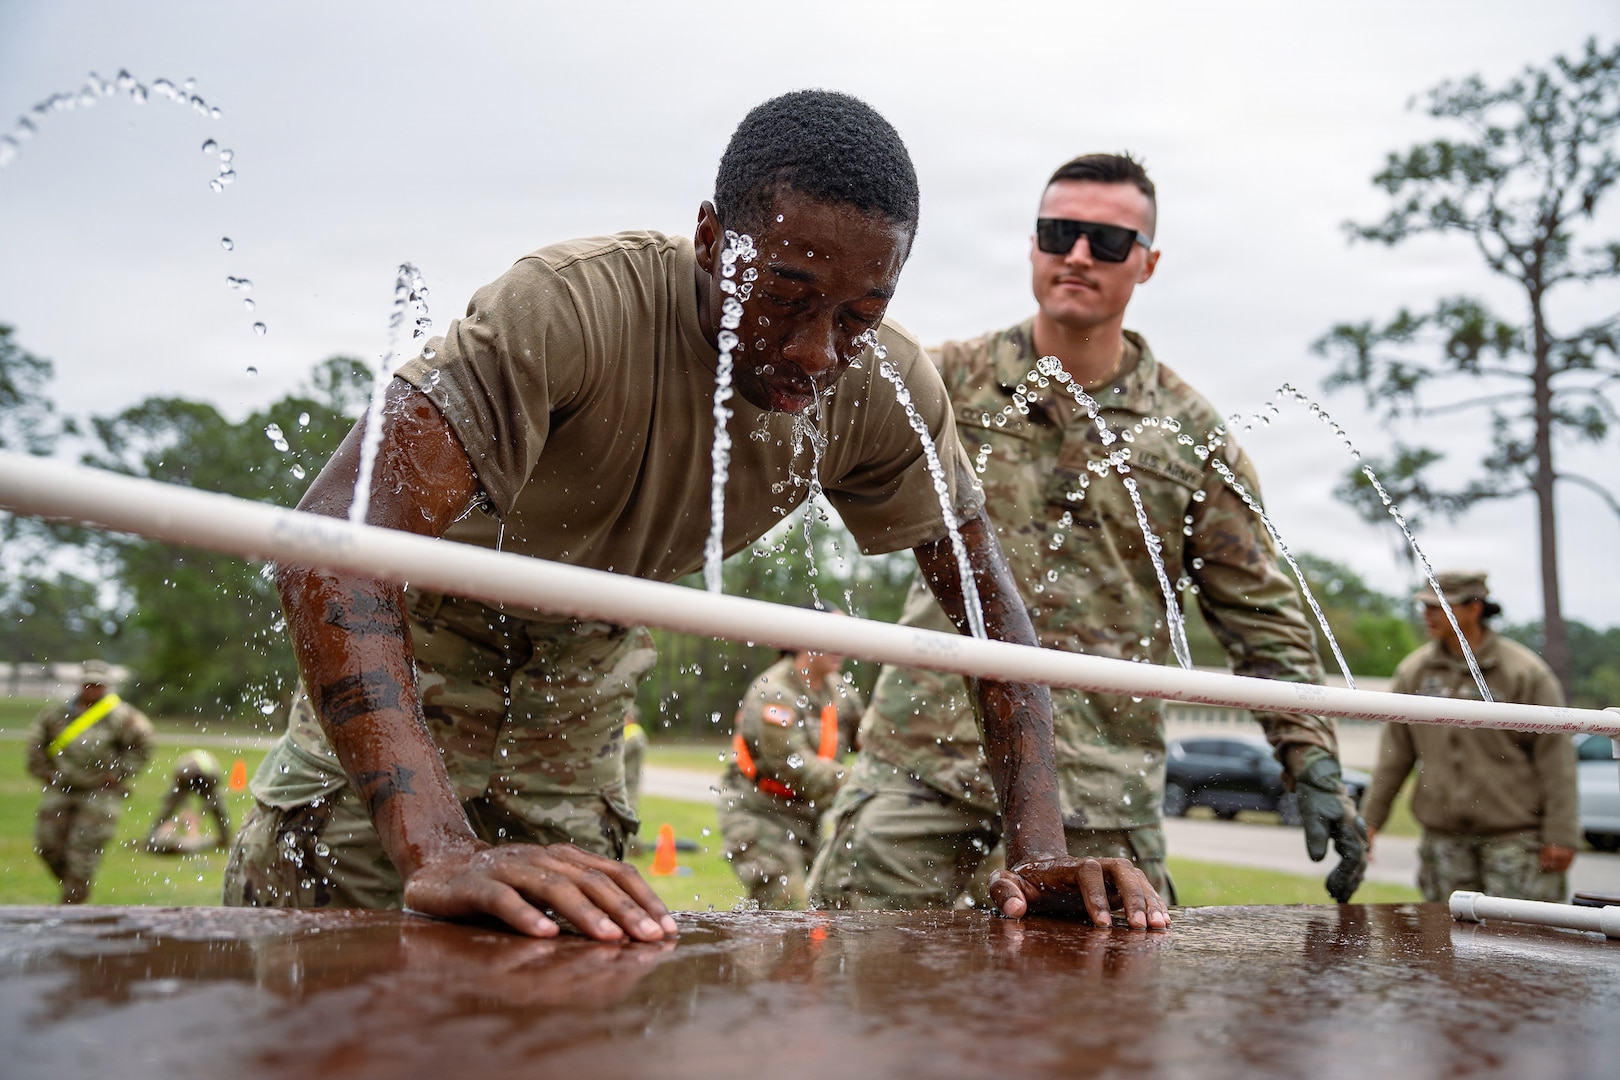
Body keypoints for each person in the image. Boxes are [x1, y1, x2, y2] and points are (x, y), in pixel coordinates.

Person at [223, 91, 1169, 941]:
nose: (812, 351)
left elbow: (993, 618)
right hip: (413, 677)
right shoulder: (569, 309)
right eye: (783, 298)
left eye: (858, 316)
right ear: (715, 241)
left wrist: (1039, 847)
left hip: (577, 718)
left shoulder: (882, 386)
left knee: (567, 1017)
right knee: (329, 1006)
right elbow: (328, 551)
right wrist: (433, 844)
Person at [809, 153, 1367, 911]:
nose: (1076, 255)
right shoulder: (939, 382)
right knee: (854, 999)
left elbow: (1261, 615)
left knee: (1102, 1019)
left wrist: (1311, 758)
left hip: (1101, 801)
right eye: (1058, 232)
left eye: (1105, 241)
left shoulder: (1192, 435)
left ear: (1148, 263)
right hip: (924, 772)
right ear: (1034, 244)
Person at [1361, 571, 1577, 902]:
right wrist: (1369, 822)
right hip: (1444, 842)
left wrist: (1562, 833)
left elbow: (1556, 760)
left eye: (1438, 607)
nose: (1427, 615)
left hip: (1515, 841)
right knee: (1445, 944)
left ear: (1474, 608)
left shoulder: (1524, 673)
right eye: (1424, 607)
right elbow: (1394, 757)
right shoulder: (1415, 672)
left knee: (1522, 944)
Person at [721, 625, 863, 909]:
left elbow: (873, 739)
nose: (842, 645)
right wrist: (865, 785)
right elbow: (793, 767)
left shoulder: (839, 691)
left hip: (806, 819)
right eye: (833, 634)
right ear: (803, 640)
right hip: (760, 815)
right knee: (791, 911)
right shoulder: (774, 691)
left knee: (821, 913)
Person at [25, 660, 154, 903]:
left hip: (99, 794)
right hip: (62, 788)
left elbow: (143, 744)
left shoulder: (121, 716)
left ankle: (72, 910)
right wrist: (44, 771)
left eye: (98, 685)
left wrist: (118, 772)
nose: (93, 689)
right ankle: (74, 888)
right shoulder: (58, 713)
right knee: (48, 846)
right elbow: (35, 740)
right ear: (80, 684)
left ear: (106, 687)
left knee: (82, 855)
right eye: (88, 684)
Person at [145, 749, 233, 854]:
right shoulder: (181, 773)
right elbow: (179, 796)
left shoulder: (213, 776)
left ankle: (225, 839)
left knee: (219, 809)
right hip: (184, 779)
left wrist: (200, 814)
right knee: (167, 808)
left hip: (208, 780)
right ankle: (150, 837)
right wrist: (186, 810)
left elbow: (213, 800)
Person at [622, 704, 648, 819]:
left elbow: (622, 753)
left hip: (629, 777)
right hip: (627, 776)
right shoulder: (632, 732)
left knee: (629, 807)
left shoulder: (635, 734)